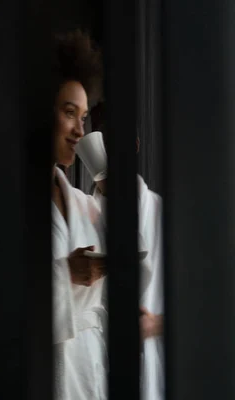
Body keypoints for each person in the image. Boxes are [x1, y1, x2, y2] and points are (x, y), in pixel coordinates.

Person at [50, 30, 108, 400]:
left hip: (90, 367)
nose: (80, 131)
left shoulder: (86, 204)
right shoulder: (5, 203)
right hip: (43, 366)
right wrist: (65, 273)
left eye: (84, 117)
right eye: (69, 112)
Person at [88, 130, 164, 400]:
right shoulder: (82, 216)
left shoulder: (163, 214)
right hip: (96, 366)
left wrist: (158, 324)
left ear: (135, 145)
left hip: (158, 369)